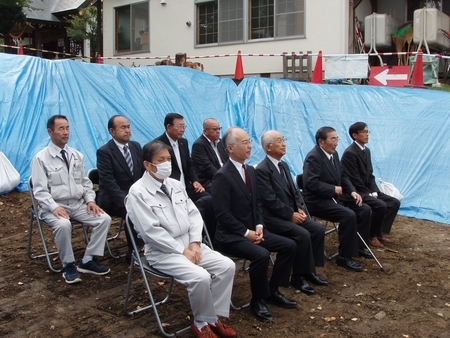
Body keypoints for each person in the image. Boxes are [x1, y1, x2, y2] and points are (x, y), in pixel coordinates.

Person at [125, 140, 237, 338]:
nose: (167, 163)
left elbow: (193, 214)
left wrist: (194, 242)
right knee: (200, 276)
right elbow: (151, 232)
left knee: (226, 266)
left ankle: (213, 317)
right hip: (163, 252)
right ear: (147, 164)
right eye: (161, 160)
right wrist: (182, 250)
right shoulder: (138, 192)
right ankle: (201, 323)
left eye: (168, 159)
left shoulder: (175, 184)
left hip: (191, 245)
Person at [211, 127, 297, 322]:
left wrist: (258, 225)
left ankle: (272, 290)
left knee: (289, 245)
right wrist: (245, 232)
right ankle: (258, 300)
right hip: (230, 236)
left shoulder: (250, 170)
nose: (250, 146)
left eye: (249, 141)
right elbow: (222, 214)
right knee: (261, 255)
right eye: (244, 143)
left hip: (253, 230)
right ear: (230, 148)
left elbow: (257, 203)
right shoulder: (222, 176)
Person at [31, 115, 111, 284]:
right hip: (53, 207)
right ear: (50, 132)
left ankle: (88, 260)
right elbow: (40, 191)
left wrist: (90, 200)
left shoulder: (76, 156)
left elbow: (85, 182)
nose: (66, 132)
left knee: (104, 219)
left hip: (77, 204)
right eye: (61, 129)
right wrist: (53, 207)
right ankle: (68, 265)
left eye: (67, 128)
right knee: (63, 224)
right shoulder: (41, 159)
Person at [256, 130, 328, 296]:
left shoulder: (284, 165)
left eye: (284, 139)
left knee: (317, 230)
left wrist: (299, 208)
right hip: (274, 218)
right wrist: (290, 214)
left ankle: (309, 270)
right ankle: (298, 276)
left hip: (291, 212)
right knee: (302, 235)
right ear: (268, 147)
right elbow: (270, 199)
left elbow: (294, 191)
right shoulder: (262, 170)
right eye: (279, 141)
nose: (284, 143)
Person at [302, 126, 371, 272]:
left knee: (364, 209)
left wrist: (352, 191)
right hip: (317, 201)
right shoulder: (313, 157)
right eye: (333, 139)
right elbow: (311, 183)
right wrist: (332, 189)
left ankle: (358, 247)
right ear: (321, 141)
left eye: (337, 139)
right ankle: (344, 257)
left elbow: (343, 176)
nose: (336, 143)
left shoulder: (334, 154)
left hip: (334, 198)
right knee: (348, 215)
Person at [341, 122, 400, 248]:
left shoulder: (366, 151)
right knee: (380, 205)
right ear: (355, 135)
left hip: (367, 189)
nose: (367, 135)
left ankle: (378, 232)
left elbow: (370, 175)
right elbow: (354, 179)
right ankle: (370, 236)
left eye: (368, 132)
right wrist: (369, 194)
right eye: (364, 132)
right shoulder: (350, 153)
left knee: (394, 202)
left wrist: (374, 191)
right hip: (355, 192)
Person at [96, 115, 144, 260]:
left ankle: (153, 245)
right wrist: (127, 200)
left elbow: (142, 173)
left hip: (134, 194)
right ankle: (134, 251)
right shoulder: (104, 152)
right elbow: (108, 182)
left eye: (128, 127)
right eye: (123, 127)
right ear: (112, 131)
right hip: (113, 198)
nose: (127, 130)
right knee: (133, 211)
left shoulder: (135, 146)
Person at [154, 113, 208, 202]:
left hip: (186, 187)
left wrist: (195, 180)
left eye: (184, 126)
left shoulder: (183, 142)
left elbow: (189, 163)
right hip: (169, 189)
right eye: (179, 126)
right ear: (169, 127)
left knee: (207, 199)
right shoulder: (158, 145)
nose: (182, 130)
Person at [191, 118, 229, 193]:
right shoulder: (199, 145)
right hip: (209, 180)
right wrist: (224, 177)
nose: (218, 131)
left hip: (223, 176)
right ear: (205, 131)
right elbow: (207, 167)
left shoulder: (221, 142)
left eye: (219, 128)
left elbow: (227, 160)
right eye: (214, 129)